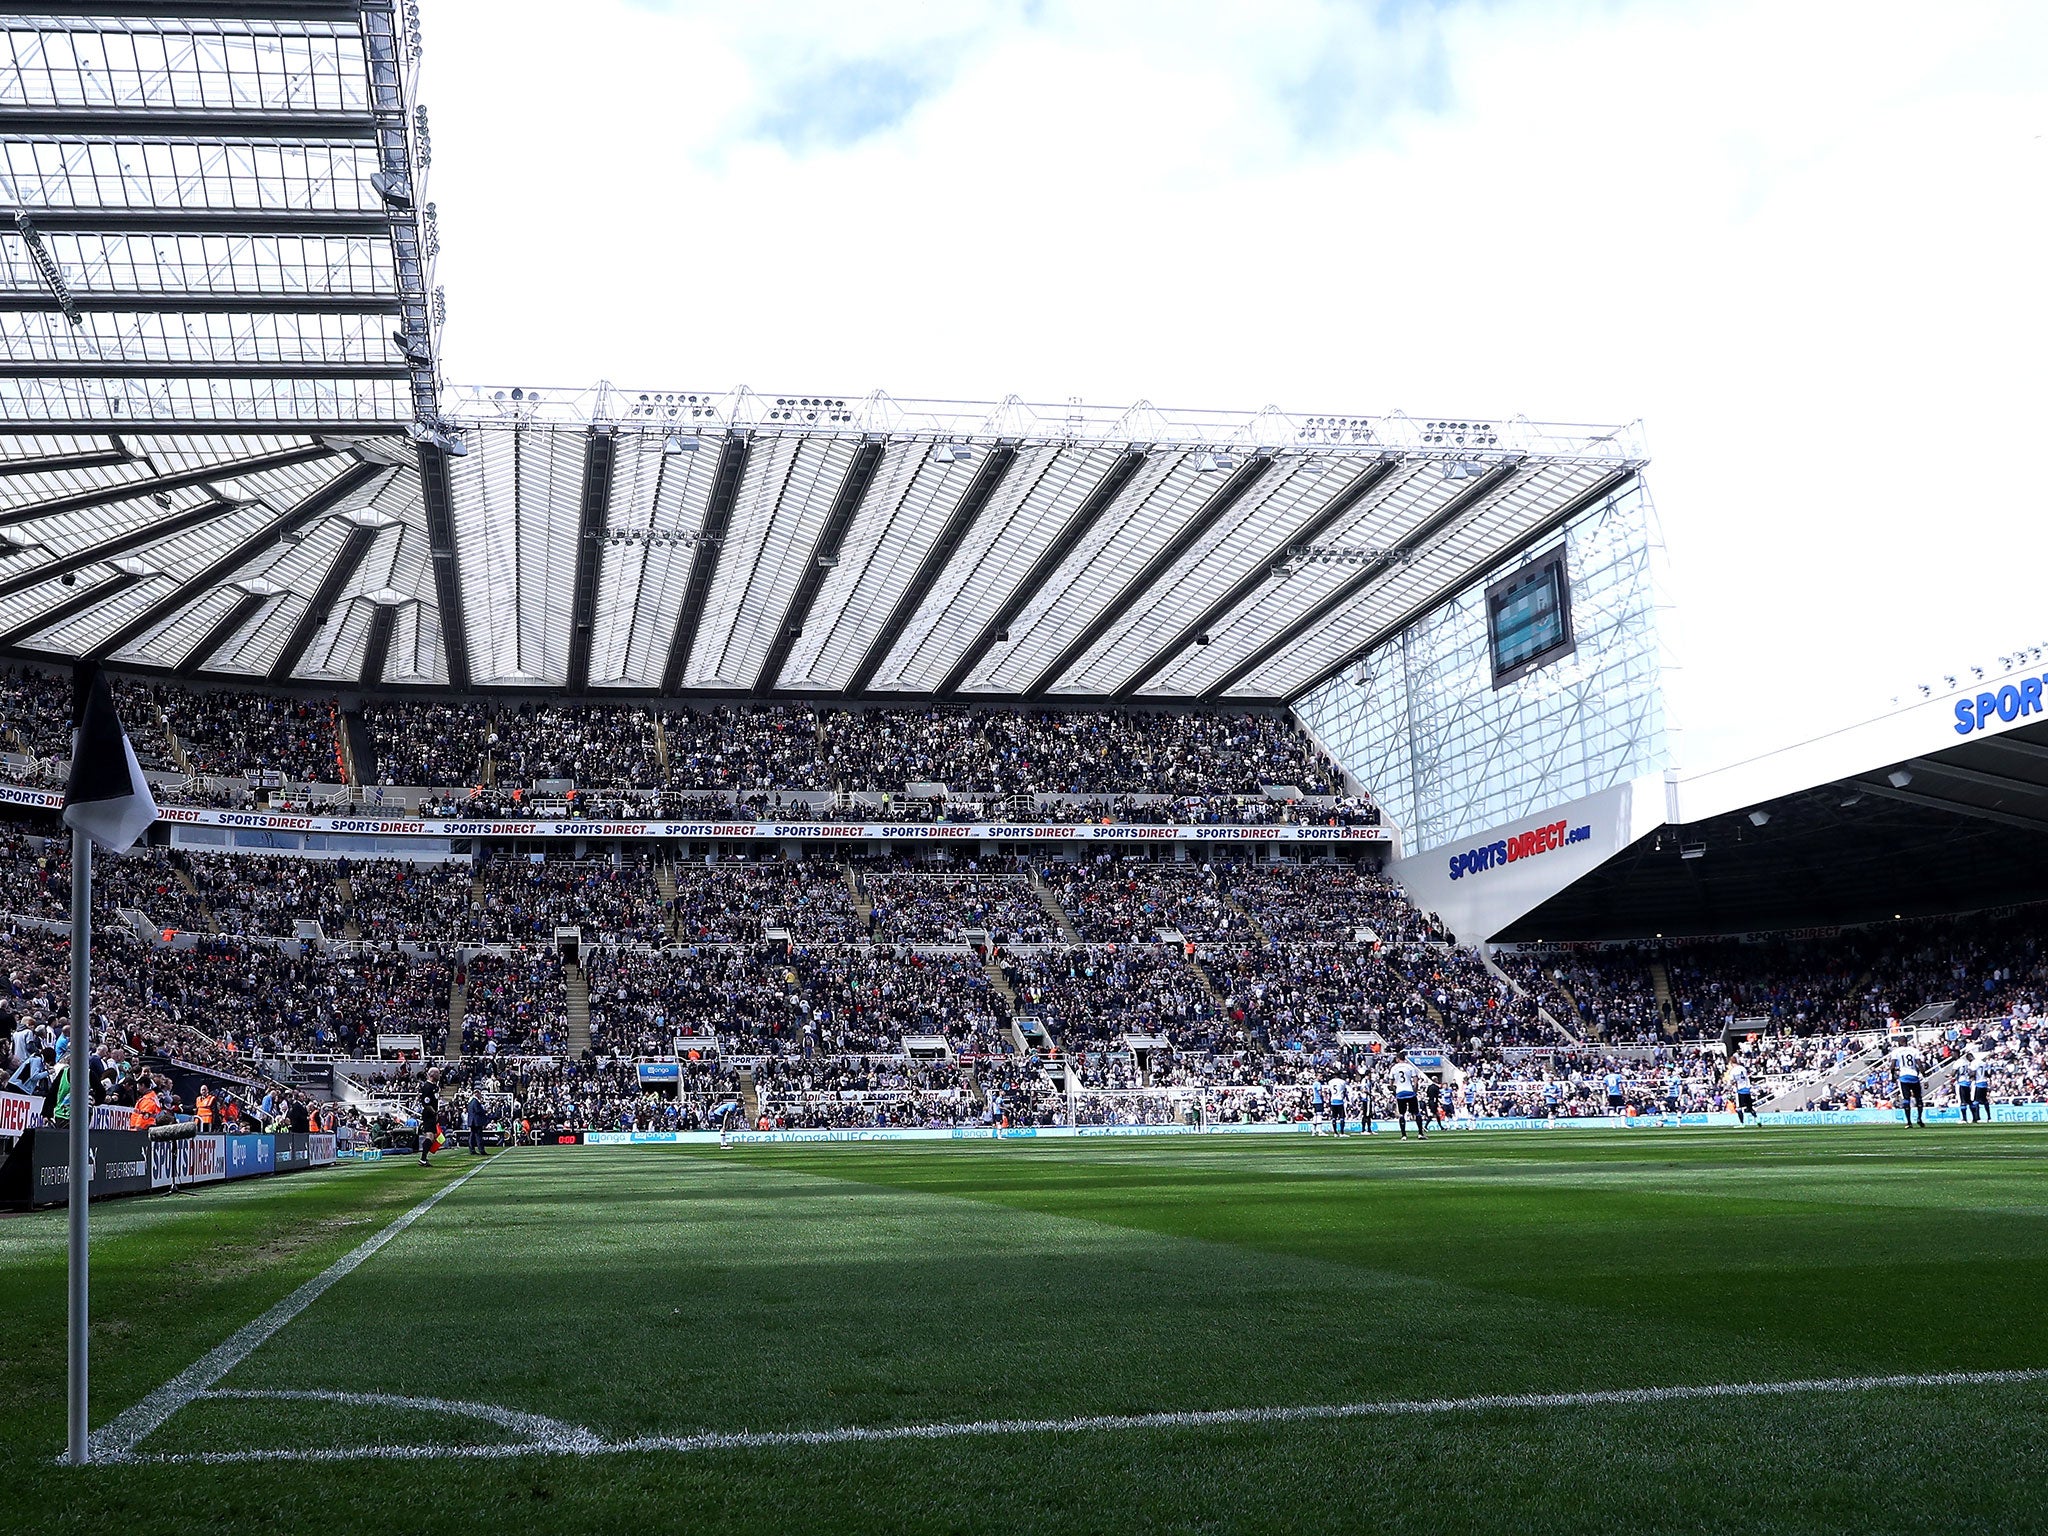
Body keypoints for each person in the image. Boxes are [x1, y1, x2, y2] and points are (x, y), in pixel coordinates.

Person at [1889, 1038, 1926, 1128]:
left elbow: (1892, 1066)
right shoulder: (1914, 1050)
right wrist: (1924, 1077)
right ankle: (1919, 1119)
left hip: (1904, 1077)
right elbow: (1919, 1065)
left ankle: (1909, 1122)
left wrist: (1893, 1076)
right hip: (1914, 1076)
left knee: (1906, 1099)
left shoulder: (1896, 1051)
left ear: (1899, 1042)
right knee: (1919, 1099)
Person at [1390, 1056, 1426, 1140]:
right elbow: (1415, 1081)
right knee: (1416, 1113)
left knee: (1402, 1114)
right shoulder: (1410, 1067)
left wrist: (1395, 1092)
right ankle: (1420, 1133)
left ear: (1397, 1059)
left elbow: (1391, 1083)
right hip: (1410, 1091)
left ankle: (1403, 1135)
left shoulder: (1394, 1068)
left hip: (1400, 1092)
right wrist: (1415, 1090)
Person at [1727, 1058, 1760, 1126]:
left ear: (1731, 1063)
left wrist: (1728, 1088)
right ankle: (1757, 1120)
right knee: (1750, 1107)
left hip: (1740, 1090)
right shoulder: (1743, 1068)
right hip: (1747, 1090)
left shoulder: (1733, 1071)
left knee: (1739, 1108)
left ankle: (1742, 1123)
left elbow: (1731, 1081)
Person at [418, 1070, 442, 1166]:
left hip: (432, 1115)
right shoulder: (427, 1087)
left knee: (432, 1137)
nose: (439, 1075)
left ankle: (424, 1158)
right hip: (428, 1115)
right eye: (438, 1073)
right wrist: (434, 1112)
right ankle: (423, 1158)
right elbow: (426, 1103)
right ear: (433, 1075)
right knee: (430, 1136)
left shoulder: (434, 1087)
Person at [465, 1090, 486, 1155]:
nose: (480, 1095)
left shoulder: (470, 1101)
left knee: (472, 1136)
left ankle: (472, 1150)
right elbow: (477, 1110)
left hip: (472, 1121)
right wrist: (484, 1111)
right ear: (476, 1094)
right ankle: (481, 1150)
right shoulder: (475, 1101)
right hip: (476, 1121)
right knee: (478, 1136)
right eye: (479, 1094)